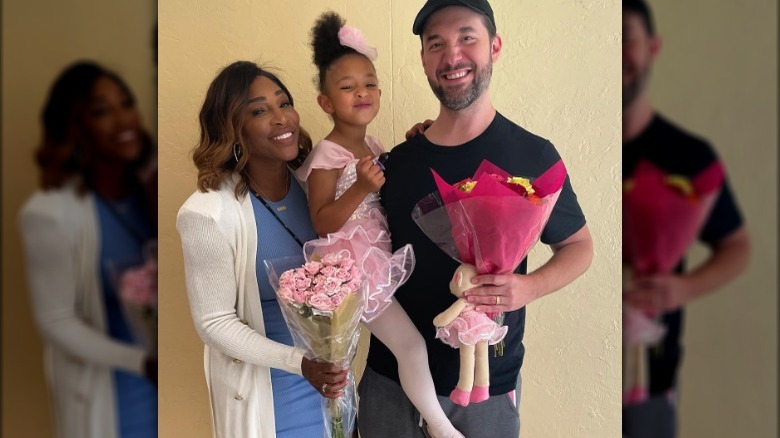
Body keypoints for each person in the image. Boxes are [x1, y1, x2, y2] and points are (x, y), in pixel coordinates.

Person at [358, 1, 594, 437]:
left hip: (486, 390)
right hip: (390, 383)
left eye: (467, 37)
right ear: (425, 60)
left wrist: (528, 287)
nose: (452, 56)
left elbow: (579, 247)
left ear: (495, 46)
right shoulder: (395, 164)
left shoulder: (533, 155)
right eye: (437, 44)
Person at [295, 11, 463, 438]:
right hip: (354, 267)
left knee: (405, 344)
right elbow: (321, 220)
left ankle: (412, 416)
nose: (362, 92)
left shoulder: (370, 143)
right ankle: (440, 425)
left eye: (370, 82)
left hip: (378, 257)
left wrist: (415, 144)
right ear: (326, 103)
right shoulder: (327, 155)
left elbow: (388, 184)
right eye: (348, 87)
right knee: (410, 345)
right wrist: (357, 188)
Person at [176, 61, 352, 438]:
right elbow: (214, 323)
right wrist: (299, 363)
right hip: (267, 394)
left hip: (332, 387)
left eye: (284, 104)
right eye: (259, 111)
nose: (281, 118)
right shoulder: (207, 213)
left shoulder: (316, 190)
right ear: (231, 129)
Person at [621, 1, 750, 437]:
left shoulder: (690, 157)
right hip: (584, 359)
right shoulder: (575, 150)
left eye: (628, 39)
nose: (618, 53)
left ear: (652, 47)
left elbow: (737, 246)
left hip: (654, 372)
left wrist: (684, 287)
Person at [18, 61, 158, 438]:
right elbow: (56, 321)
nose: (124, 119)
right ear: (75, 127)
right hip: (113, 393)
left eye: (126, 103)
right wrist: (143, 363)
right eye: (102, 111)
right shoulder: (50, 214)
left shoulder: (151, 191)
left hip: (172, 384)